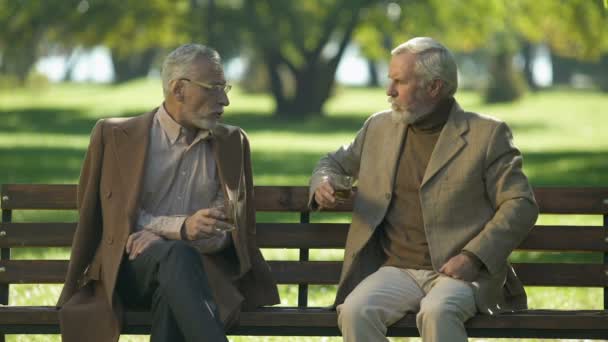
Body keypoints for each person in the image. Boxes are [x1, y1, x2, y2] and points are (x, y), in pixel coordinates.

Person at [308, 37, 539, 342]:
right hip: (397, 270)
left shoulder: (487, 134)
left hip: (461, 272)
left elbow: (520, 204)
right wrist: (323, 183)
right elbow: (332, 162)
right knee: (354, 311)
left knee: (437, 311)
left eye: (400, 82)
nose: (389, 91)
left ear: (434, 87)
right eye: (391, 80)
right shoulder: (378, 127)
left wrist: (473, 257)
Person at [57, 44, 280, 342]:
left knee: (175, 270)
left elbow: (225, 229)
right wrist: (181, 228)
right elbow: (113, 220)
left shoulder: (232, 143)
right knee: (177, 256)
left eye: (224, 88)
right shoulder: (114, 136)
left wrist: (171, 234)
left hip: (199, 274)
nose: (225, 100)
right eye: (213, 88)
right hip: (126, 272)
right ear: (178, 89)